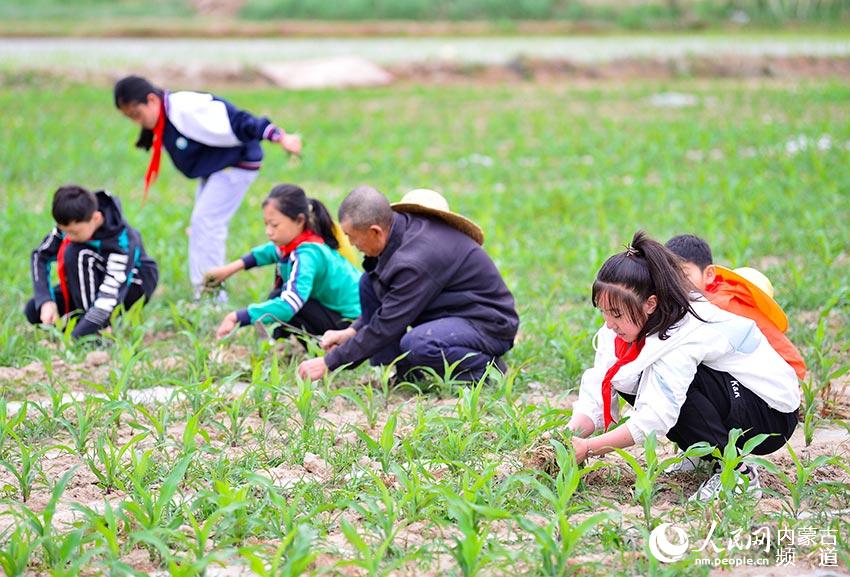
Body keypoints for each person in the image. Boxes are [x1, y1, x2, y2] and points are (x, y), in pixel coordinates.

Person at [566, 231, 800, 502]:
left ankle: (737, 473)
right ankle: (705, 455)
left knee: (674, 385)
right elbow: (601, 384)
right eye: (603, 311)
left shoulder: (684, 330)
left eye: (616, 313)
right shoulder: (625, 327)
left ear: (650, 304)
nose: (608, 323)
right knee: (630, 375)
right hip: (735, 399)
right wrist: (568, 436)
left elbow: (656, 417)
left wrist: (588, 448)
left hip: (770, 412)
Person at [298, 186, 518, 384]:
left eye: (352, 237)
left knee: (419, 345)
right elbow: (390, 302)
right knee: (369, 282)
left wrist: (329, 362)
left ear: (375, 231)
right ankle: (406, 374)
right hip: (449, 312)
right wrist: (352, 331)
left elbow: (387, 324)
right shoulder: (400, 230)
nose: (352, 245)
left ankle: (486, 369)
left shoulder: (416, 260)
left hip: (488, 323)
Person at [113, 75, 302, 299]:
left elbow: (239, 120)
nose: (138, 122)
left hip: (236, 165)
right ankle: (202, 290)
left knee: (207, 224)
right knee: (200, 226)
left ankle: (212, 297)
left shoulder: (187, 108)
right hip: (215, 168)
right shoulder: (165, 113)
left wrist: (278, 136)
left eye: (137, 114)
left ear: (152, 100)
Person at [207, 184, 361, 342]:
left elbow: (288, 306)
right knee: (282, 295)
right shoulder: (300, 241)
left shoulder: (307, 255)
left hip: (353, 324)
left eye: (274, 225)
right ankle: (286, 345)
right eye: (266, 224)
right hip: (346, 314)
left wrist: (237, 317)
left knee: (283, 298)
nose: (268, 231)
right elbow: (269, 252)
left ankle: (285, 346)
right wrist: (228, 270)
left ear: (300, 220)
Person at [665, 234, 806, 380]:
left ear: (709, 275)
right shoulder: (701, 298)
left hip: (775, 382)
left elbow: (793, 364)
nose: (676, 283)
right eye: (670, 276)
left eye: (684, 275)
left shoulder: (721, 305)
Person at [25, 185, 158, 339]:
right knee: (33, 310)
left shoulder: (122, 241)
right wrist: (46, 301)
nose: (68, 237)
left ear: (96, 218)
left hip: (133, 283)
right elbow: (40, 256)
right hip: (91, 277)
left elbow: (108, 298)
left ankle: (96, 330)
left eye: (74, 232)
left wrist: (76, 337)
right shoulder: (74, 221)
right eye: (64, 231)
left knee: (76, 252)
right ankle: (84, 323)